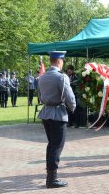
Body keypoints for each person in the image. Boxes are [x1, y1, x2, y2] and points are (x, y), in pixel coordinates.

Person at [38, 51, 76, 188]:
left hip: (46, 112)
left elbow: (40, 96)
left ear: (51, 61)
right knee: (57, 146)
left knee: (51, 145)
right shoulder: (62, 77)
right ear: (60, 61)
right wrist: (73, 108)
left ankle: (50, 174)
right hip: (58, 114)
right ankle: (52, 179)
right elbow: (70, 97)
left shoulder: (42, 77)